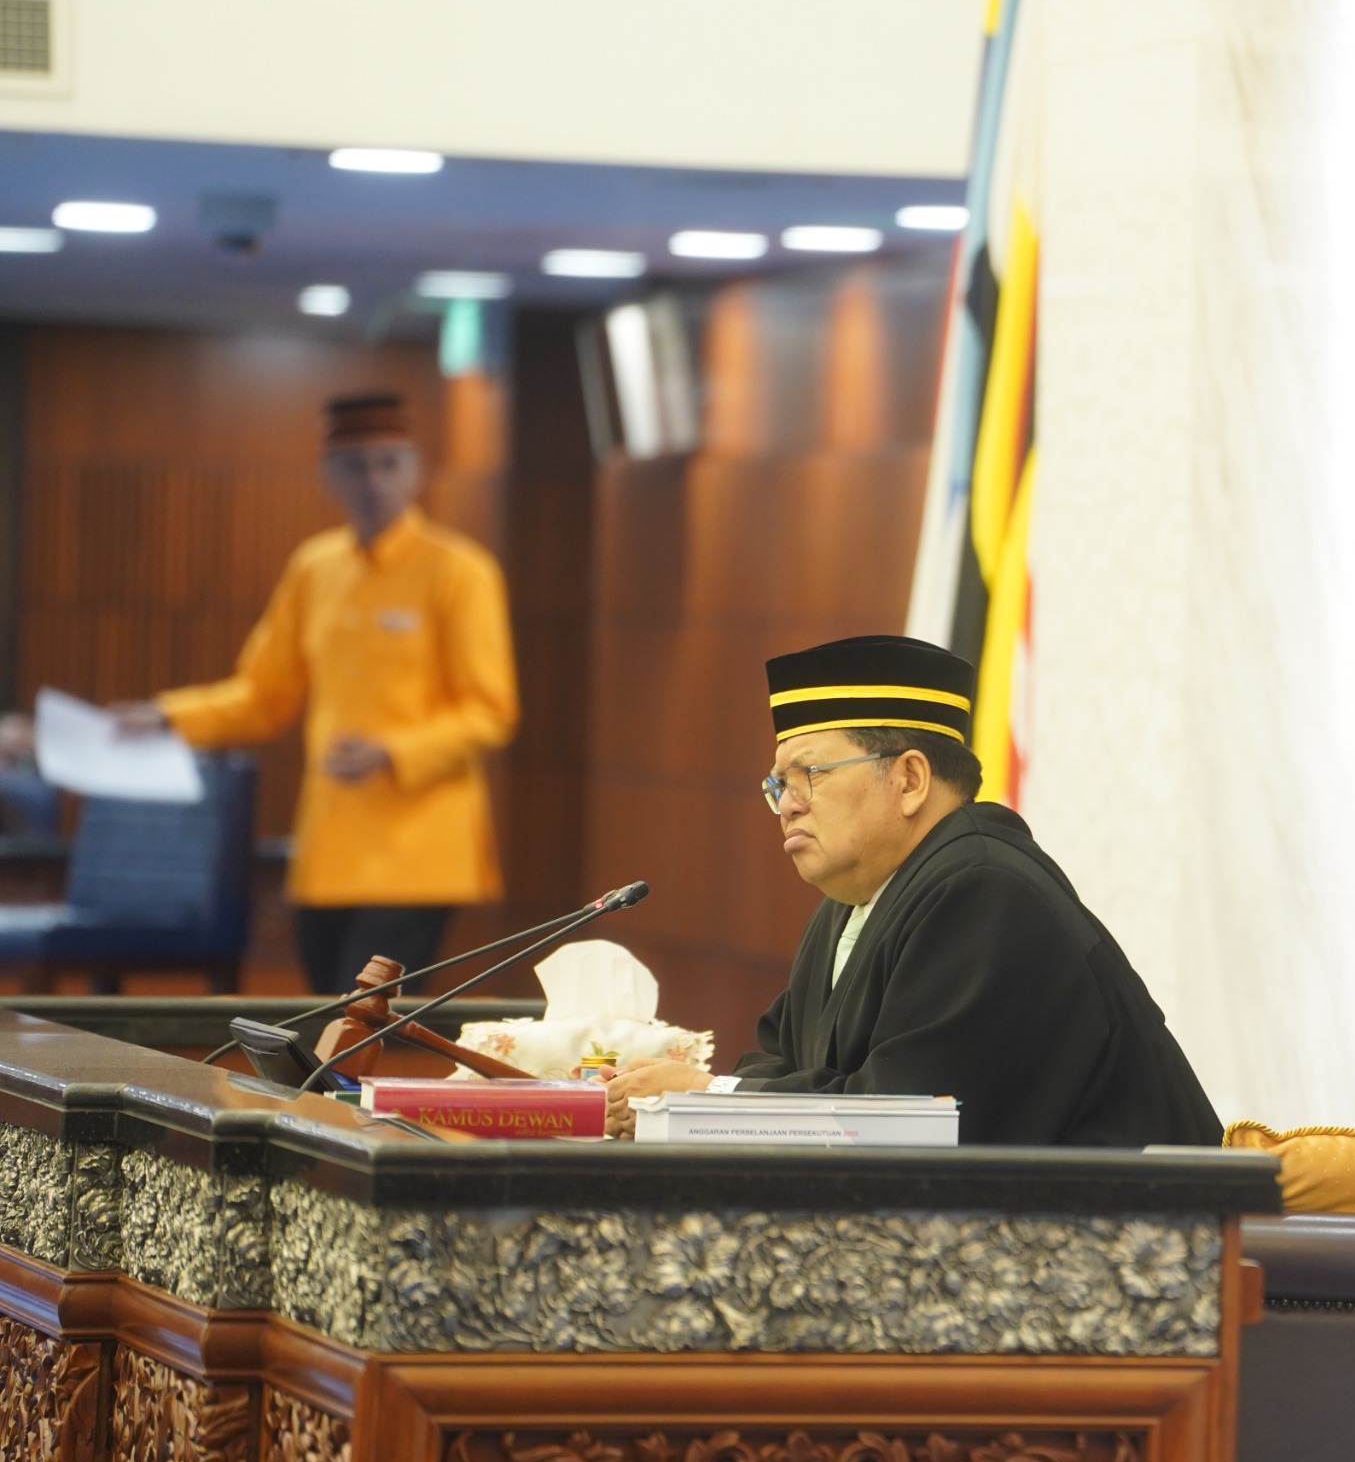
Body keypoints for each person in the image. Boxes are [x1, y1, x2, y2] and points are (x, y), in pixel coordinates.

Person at [605, 634, 1220, 1147]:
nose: (787, 805)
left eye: (809, 774)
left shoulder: (988, 895)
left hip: (1132, 1241)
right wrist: (696, 1097)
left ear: (910, 779)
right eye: (777, 785)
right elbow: (780, 1062)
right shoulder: (850, 906)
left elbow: (905, 1120)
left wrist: (706, 1096)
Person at [114, 391, 518, 993]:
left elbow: (490, 711)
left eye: (388, 464)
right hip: (330, 850)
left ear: (416, 472)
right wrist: (167, 716)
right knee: (325, 1017)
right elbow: (263, 697)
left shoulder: (459, 571)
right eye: (355, 466)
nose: (373, 482)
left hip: (420, 851)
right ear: (328, 476)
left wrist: (391, 751)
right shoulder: (315, 567)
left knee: (365, 1022)